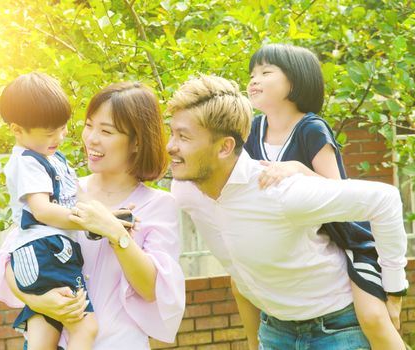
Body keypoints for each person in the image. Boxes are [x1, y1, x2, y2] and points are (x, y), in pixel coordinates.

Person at [166, 75, 408, 350]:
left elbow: (385, 200)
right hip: (274, 329)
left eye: (183, 137)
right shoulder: (186, 189)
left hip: (336, 329)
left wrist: (394, 288)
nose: (170, 146)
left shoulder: (279, 192)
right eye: (172, 133)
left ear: (225, 147)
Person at [0, 81, 185, 350]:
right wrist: (38, 301)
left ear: (137, 142)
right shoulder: (62, 190)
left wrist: (116, 233)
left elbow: (152, 288)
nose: (91, 138)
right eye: (89, 125)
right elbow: (10, 258)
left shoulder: (158, 205)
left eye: (106, 131)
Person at [241, 43, 406, 349]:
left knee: (373, 317)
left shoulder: (311, 129)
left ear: (295, 80)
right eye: (251, 74)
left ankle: (394, 307)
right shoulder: (251, 131)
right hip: (280, 241)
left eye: (265, 72)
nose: (254, 80)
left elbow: (338, 196)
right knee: (240, 284)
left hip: (344, 239)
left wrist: (296, 169)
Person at [0, 72, 97, 350]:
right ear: (17, 129)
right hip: (47, 251)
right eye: (49, 133)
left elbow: (82, 196)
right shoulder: (28, 161)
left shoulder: (50, 156)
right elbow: (42, 210)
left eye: (63, 128)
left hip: (44, 254)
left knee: (44, 335)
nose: (60, 137)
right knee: (86, 327)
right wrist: (92, 223)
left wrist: (110, 216)